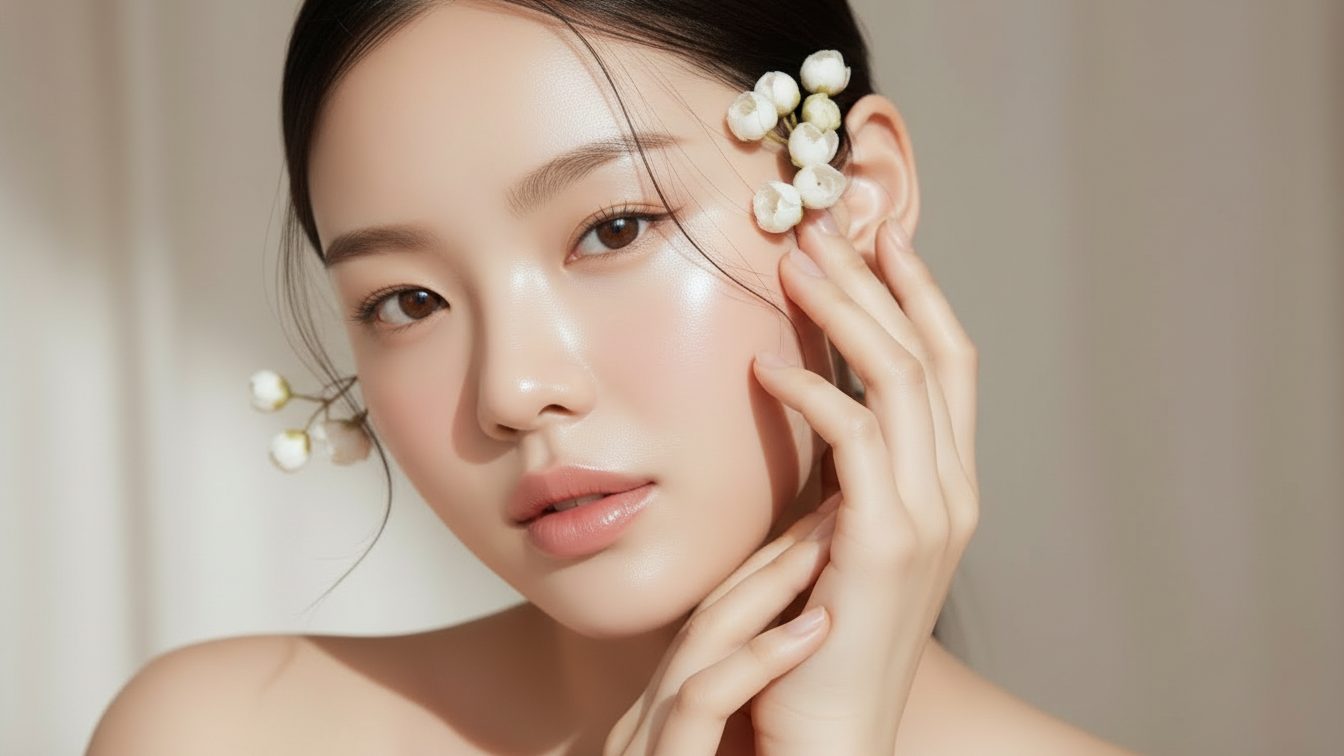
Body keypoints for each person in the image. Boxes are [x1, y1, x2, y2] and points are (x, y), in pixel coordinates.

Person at [88, 1, 1137, 753]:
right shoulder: (225, 733)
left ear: (850, 199)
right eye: (407, 302)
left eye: (613, 229)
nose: (511, 390)